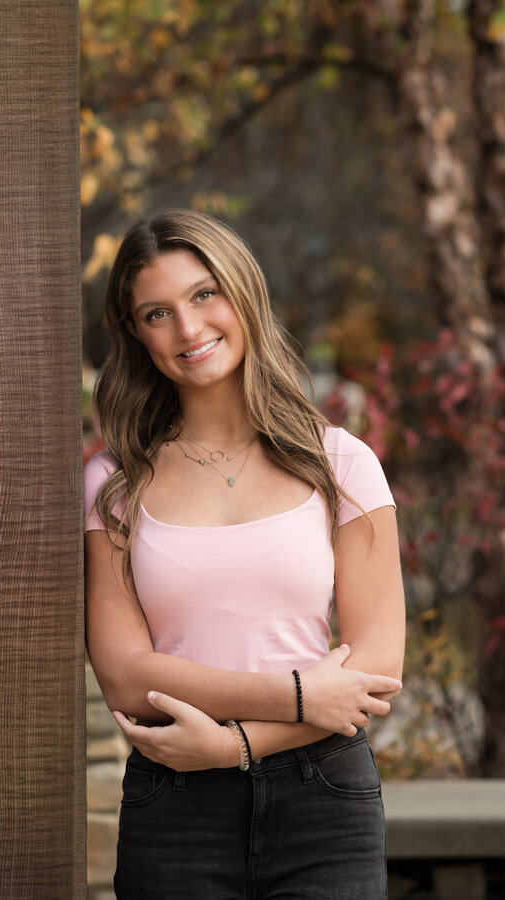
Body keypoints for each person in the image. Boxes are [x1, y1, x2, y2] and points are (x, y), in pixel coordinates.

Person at [83, 209, 406, 899]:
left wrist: (237, 747)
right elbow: (125, 676)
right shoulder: (115, 483)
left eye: (205, 294)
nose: (190, 329)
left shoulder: (342, 464)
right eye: (158, 313)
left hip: (324, 801)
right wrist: (296, 694)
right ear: (137, 335)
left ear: (242, 293)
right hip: (175, 806)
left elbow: (376, 669)